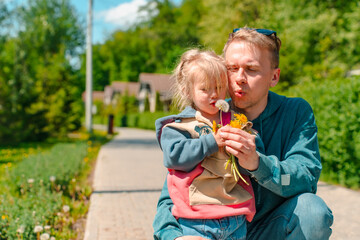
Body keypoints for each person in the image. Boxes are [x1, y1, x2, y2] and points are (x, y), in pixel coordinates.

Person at [153, 28, 334, 240]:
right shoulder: (207, 116)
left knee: (312, 211)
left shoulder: (295, 112)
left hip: (269, 229)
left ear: (274, 77)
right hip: (210, 230)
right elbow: (174, 190)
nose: (239, 78)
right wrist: (174, 236)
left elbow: (306, 179)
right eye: (232, 68)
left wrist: (259, 164)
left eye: (251, 69)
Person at [155, 49, 259, 240]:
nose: (214, 94)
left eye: (219, 87)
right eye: (205, 89)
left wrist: (248, 144)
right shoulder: (179, 127)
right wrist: (212, 141)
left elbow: (255, 149)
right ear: (188, 90)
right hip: (197, 217)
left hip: (235, 215)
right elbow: (174, 158)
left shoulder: (235, 119)